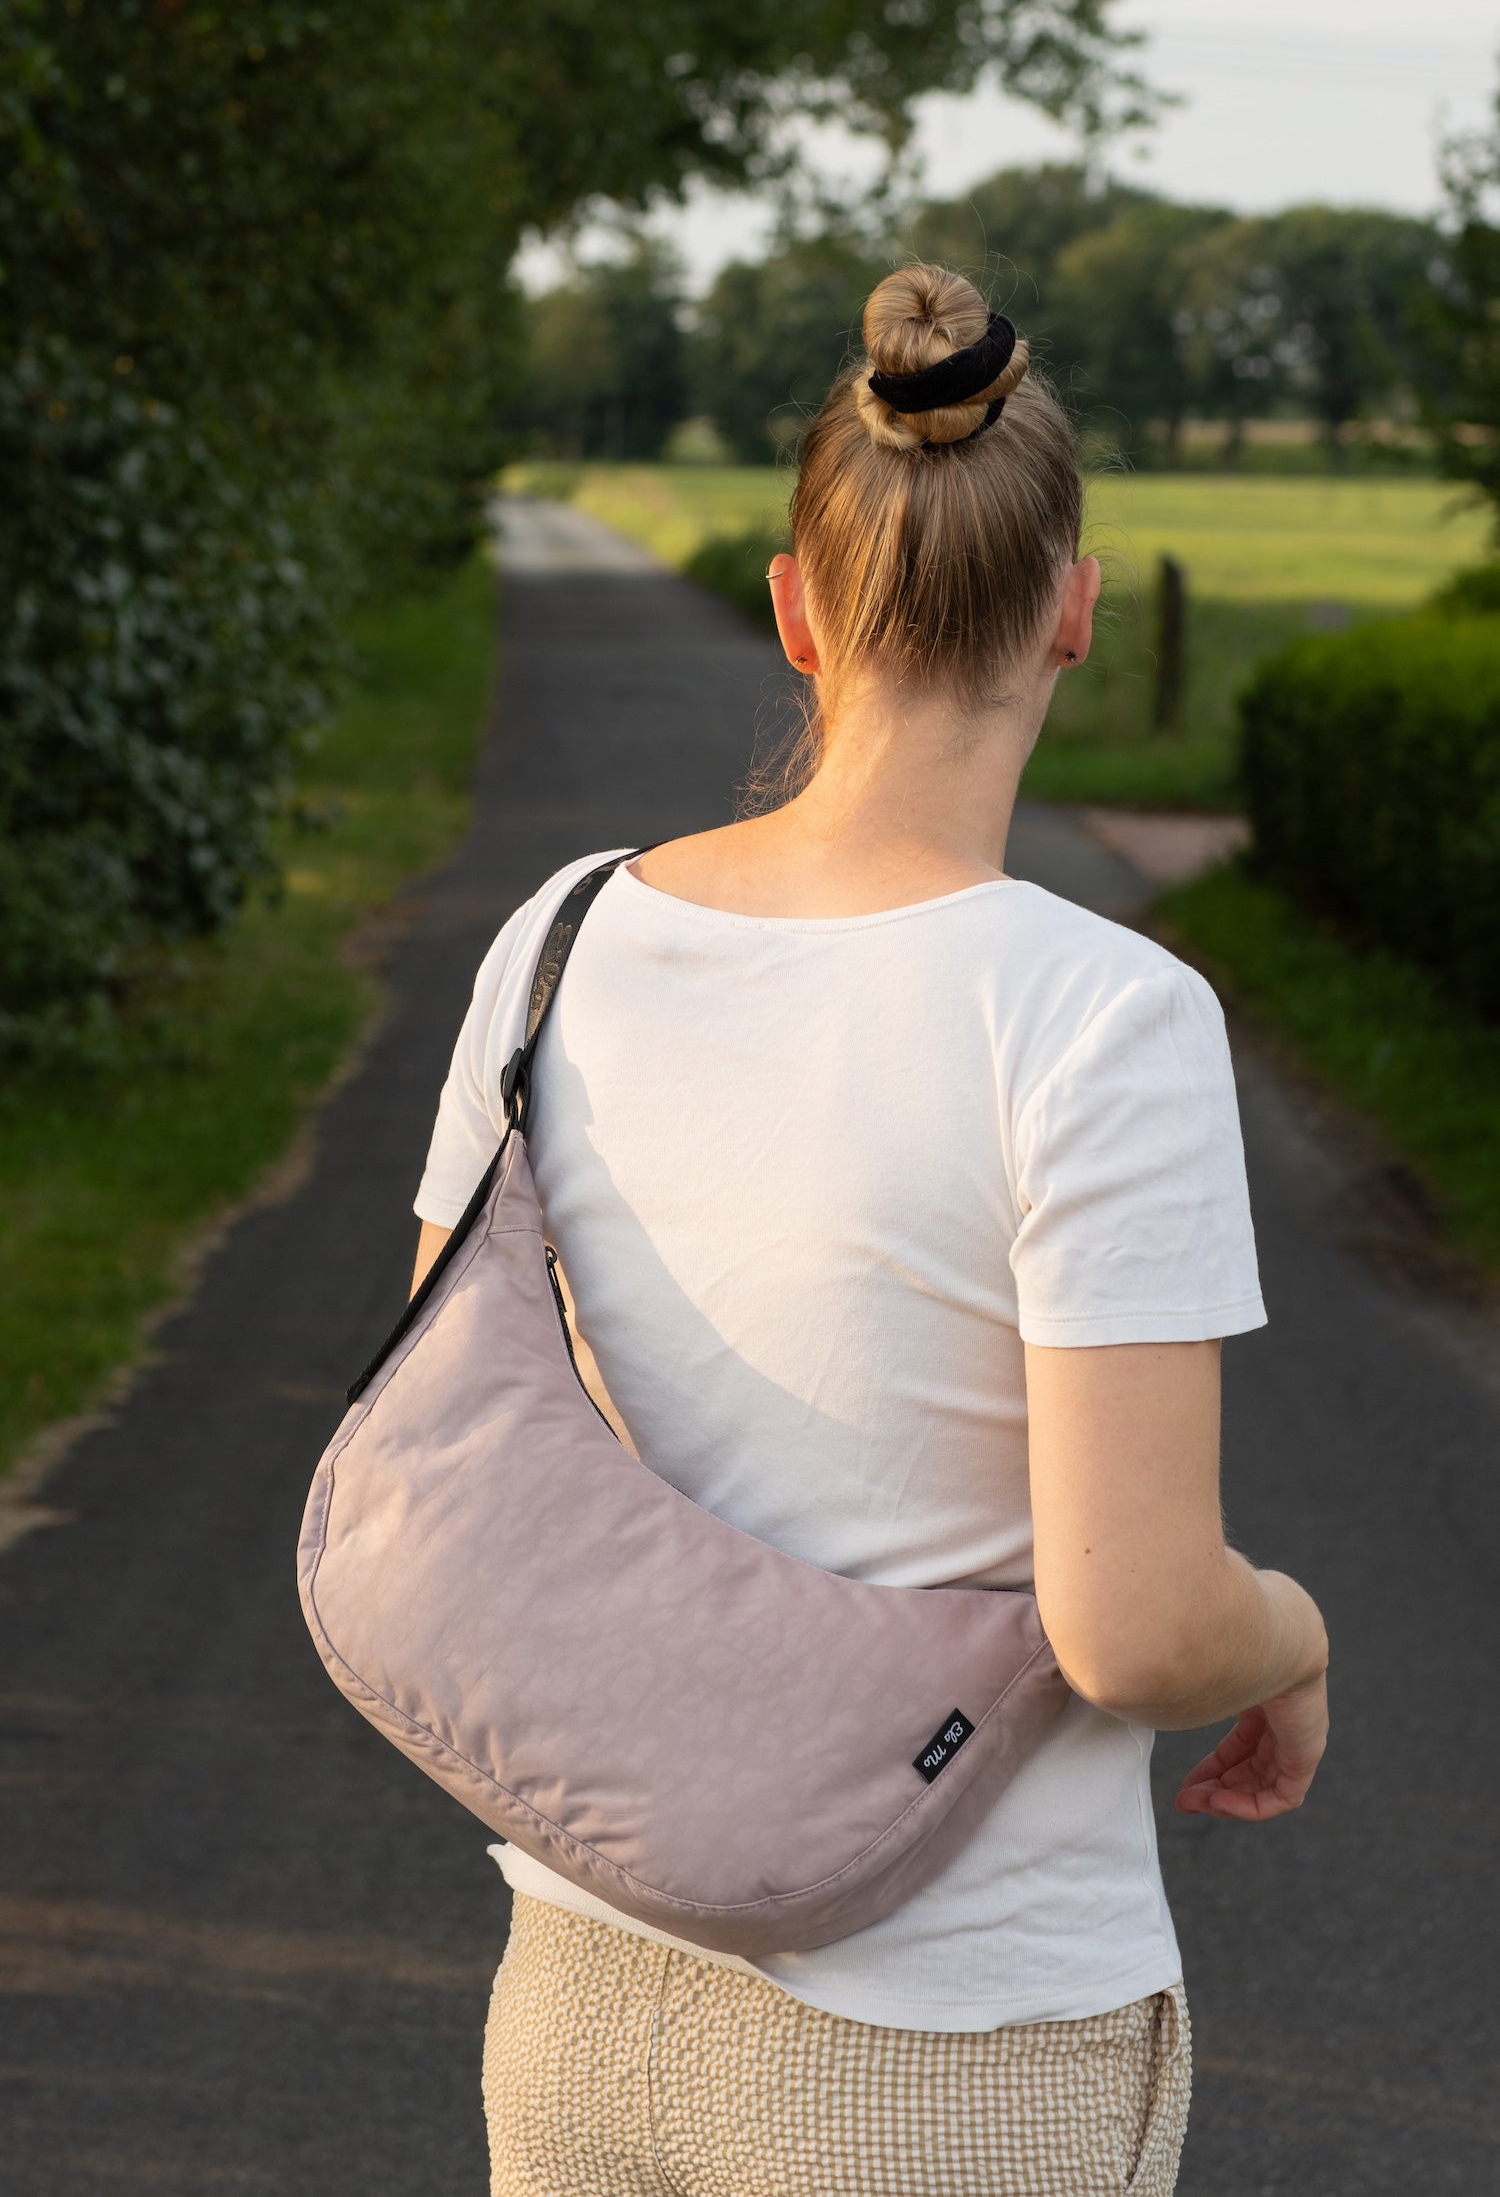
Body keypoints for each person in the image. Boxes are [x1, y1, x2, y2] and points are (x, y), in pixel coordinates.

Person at [411, 263, 1329, 2197]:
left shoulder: (559, 940)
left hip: (579, 1995)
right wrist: (1295, 1629)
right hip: (951, 2051)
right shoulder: (1104, 1018)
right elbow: (1139, 1621)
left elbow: (462, 1444)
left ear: (796, 610)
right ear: (1074, 610)